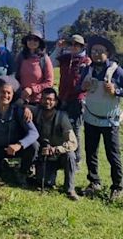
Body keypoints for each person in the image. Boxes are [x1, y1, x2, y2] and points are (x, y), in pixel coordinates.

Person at [79, 36, 123, 201]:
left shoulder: (116, 71)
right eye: (94, 51)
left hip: (110, 121)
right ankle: (94, 182)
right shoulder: (87, 69)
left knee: (113, 155)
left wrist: (116, 91)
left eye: (100, 51)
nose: (96, 54)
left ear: (108, 53)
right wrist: (82, 87)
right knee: (91, 152)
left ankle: (117, 187)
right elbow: (79, 87)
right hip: (91, 117)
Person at [0, 76, 39, 186]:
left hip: (15, 148)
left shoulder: (19, 111)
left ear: (13, 95)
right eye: (2, 92)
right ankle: (2, 167)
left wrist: (19, 145)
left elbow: (34, 133)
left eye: (8, 93)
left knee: (34, 146)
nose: (5, 96)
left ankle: (23, 172)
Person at [31, 88, 79, 200]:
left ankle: (70, 189)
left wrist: (56, 149)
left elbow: (73, 143)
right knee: (45, 183)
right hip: (44, 156)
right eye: (44, 99)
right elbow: (21, 105)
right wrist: (26, 109)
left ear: (56, 102)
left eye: (50, 99)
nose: (47, 102)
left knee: (70, 155)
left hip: (60, 155)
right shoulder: (36, 112)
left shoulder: (62, 117)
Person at [50, 34, 90, 164]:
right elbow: (50, 63)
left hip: (77, 99)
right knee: (61, 127)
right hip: (62, 98)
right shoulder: (65, 58)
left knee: (76, 129)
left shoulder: (86, 61)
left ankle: (76, 160)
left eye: (76, 45)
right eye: (71, 44)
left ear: (81, 46)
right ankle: (63, 155)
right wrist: (58, 48)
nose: (73, 47)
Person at [15, 30, 54, 105]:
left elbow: (49, 82)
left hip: (39, 102)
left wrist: (32, 90)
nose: (32, 42)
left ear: (40, 43)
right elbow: (15, 76)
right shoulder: (21, 57)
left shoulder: (44, 59)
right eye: (29, 39)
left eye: (35, 40)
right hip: (22, 100)